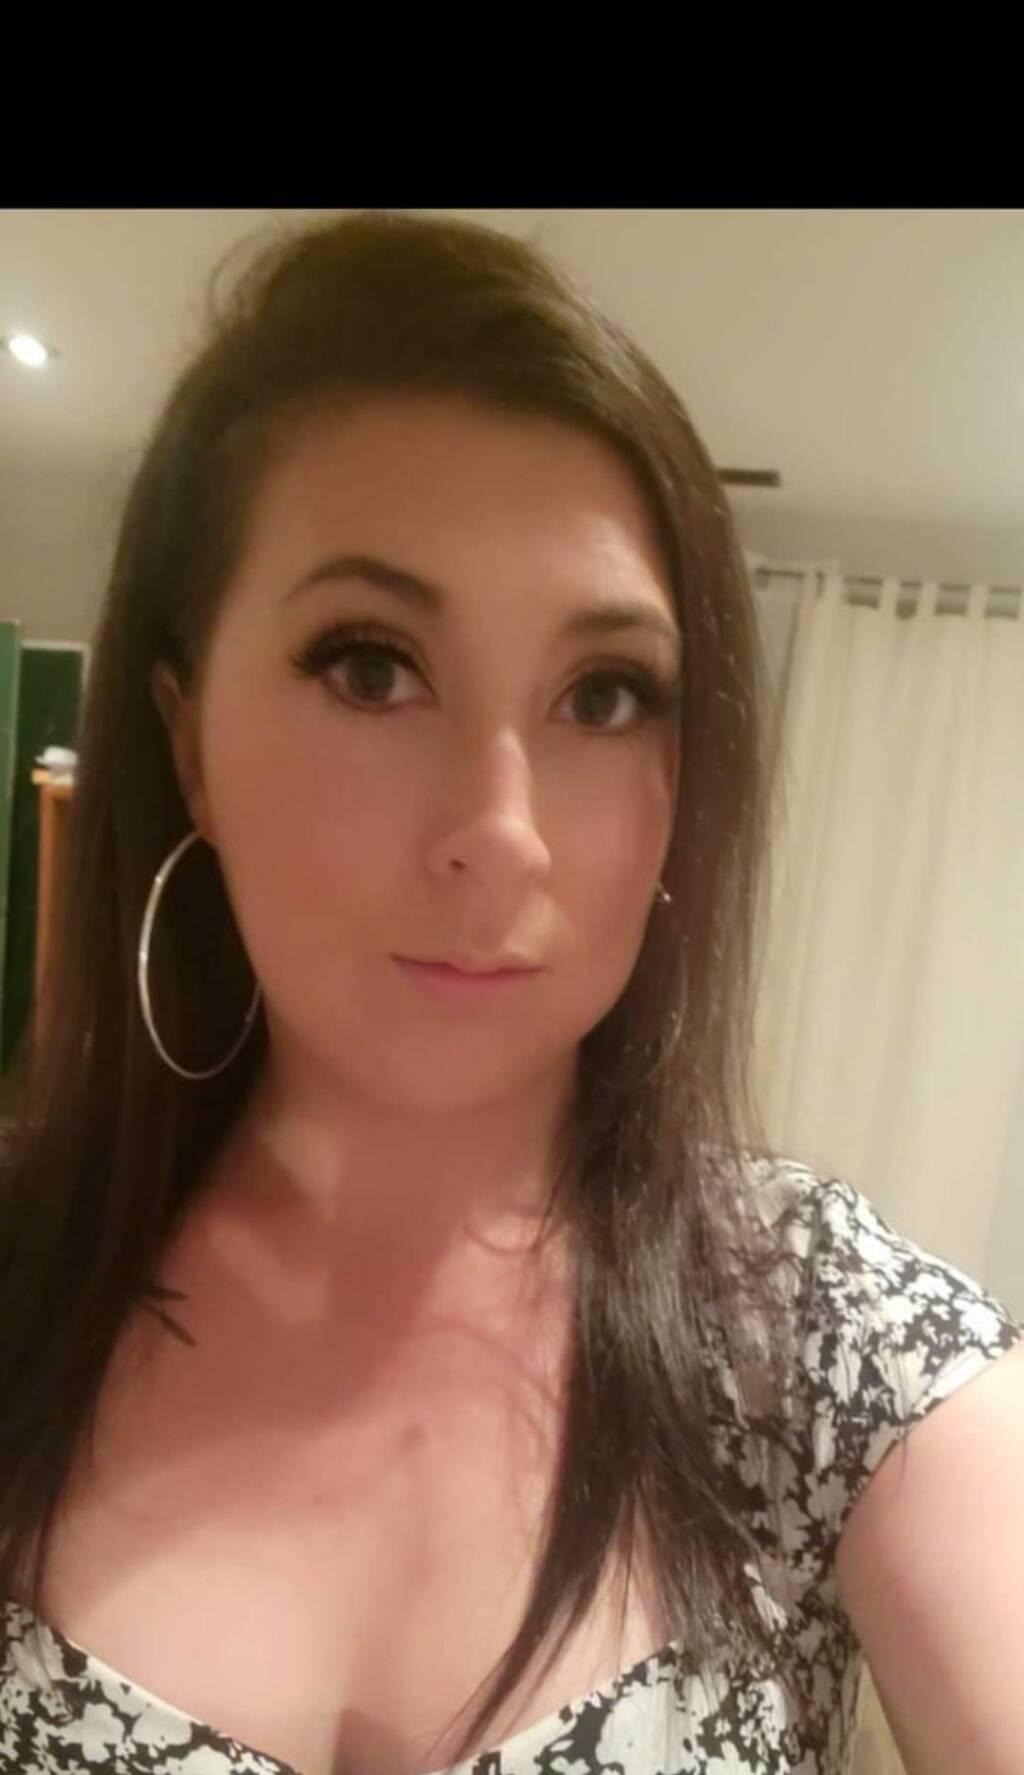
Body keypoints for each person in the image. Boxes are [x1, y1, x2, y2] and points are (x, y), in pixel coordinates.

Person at [0, 210, 1020, 1775]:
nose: (503, 829)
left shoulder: (816, 1333)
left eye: (602, 695)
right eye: (371, 667)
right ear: (187, 735)